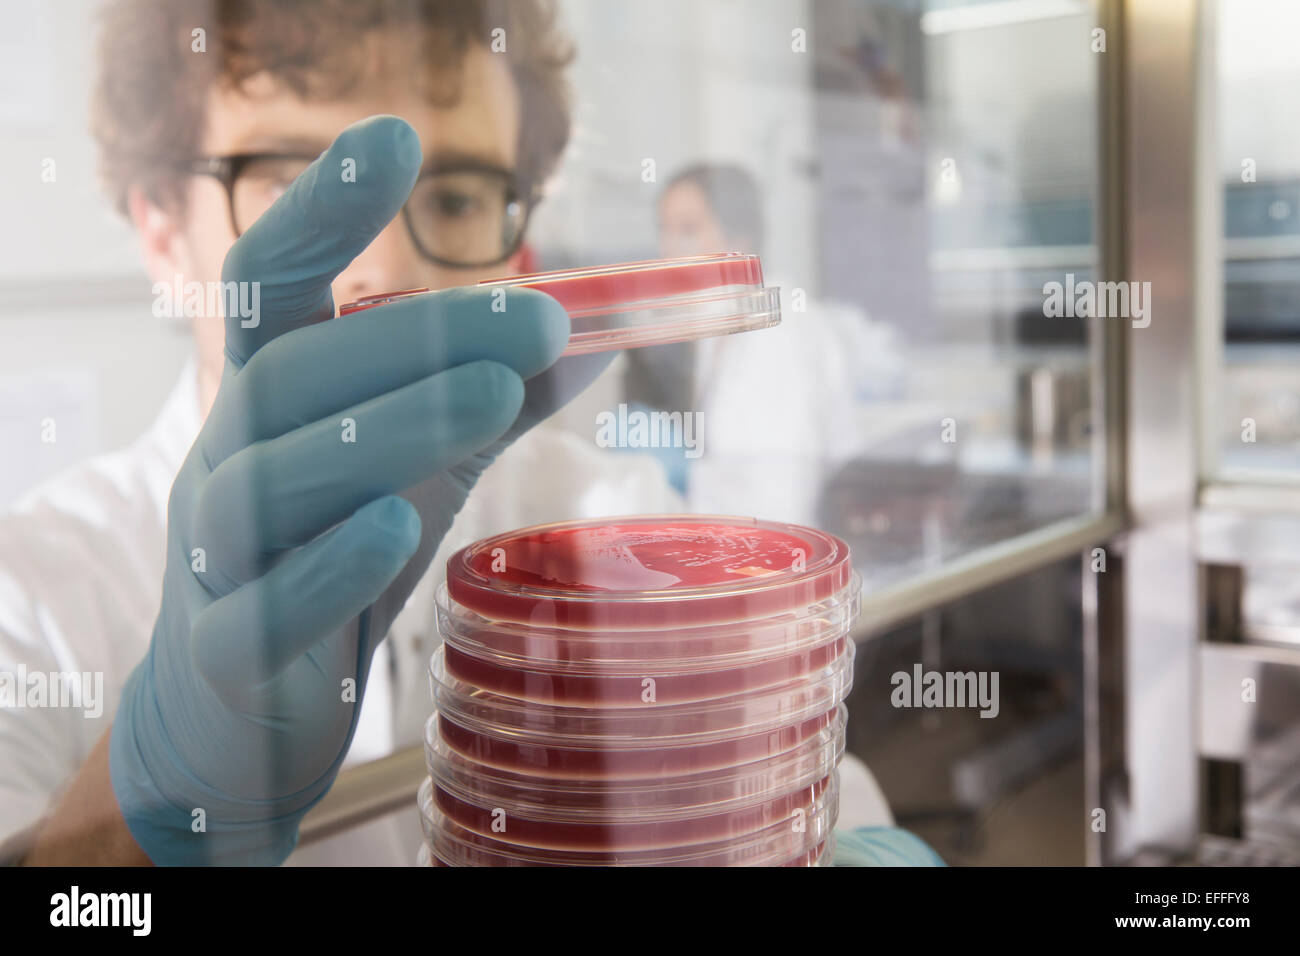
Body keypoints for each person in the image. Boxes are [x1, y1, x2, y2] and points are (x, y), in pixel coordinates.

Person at [0, 0, 938, 867]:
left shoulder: (607, 519)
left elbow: (792, 781)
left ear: (516, 245)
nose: (384, 268)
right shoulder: (31, 600)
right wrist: (145, 808)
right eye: (297, 191)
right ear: (161, 233)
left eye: (452, 199)